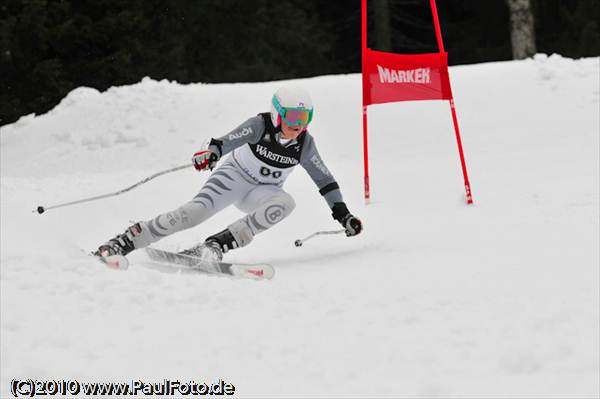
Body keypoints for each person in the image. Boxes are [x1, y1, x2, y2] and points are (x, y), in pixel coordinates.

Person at [95, 86, 363, 262]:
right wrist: (211, 153)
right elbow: (226, 141)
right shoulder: (261, 125)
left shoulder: (305, 144)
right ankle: (126, 240)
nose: (298, 125)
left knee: (285, 203)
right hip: (234, 177)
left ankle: (215, 246)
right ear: (277, 114)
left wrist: (343, 214)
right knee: (193, 214)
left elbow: (325, 180)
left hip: (261, 192)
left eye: (305, 118)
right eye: (293, 118)